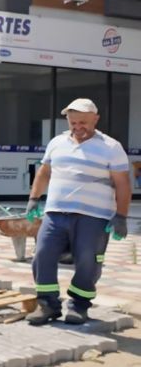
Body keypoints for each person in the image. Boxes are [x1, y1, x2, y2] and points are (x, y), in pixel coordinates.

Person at [25, 98, 131, 325]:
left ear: (96, 119)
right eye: (73, 122)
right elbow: (44, 173)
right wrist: (34, 199)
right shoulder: (57, 142)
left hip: (94, 217)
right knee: (42, 254)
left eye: (83, 121)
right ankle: (47, 305)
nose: (78, 126)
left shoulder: (111, 147)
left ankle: (79, 306)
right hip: (55, 213)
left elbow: (123, 183)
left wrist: (121, 216)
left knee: (88, 260)